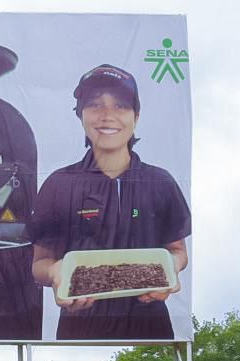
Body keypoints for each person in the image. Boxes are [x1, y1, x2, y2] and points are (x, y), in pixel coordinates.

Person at [29, 64, 190, 340]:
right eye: (95, 105)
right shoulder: (59, 184)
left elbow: (177, 251)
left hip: (150, 330)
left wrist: (169, 269)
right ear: (80, 115)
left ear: (136, 116)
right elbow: (40, 264)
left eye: (120, 106)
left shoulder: (160, 182)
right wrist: (56, 272)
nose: (107, 116)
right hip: (80, 331)